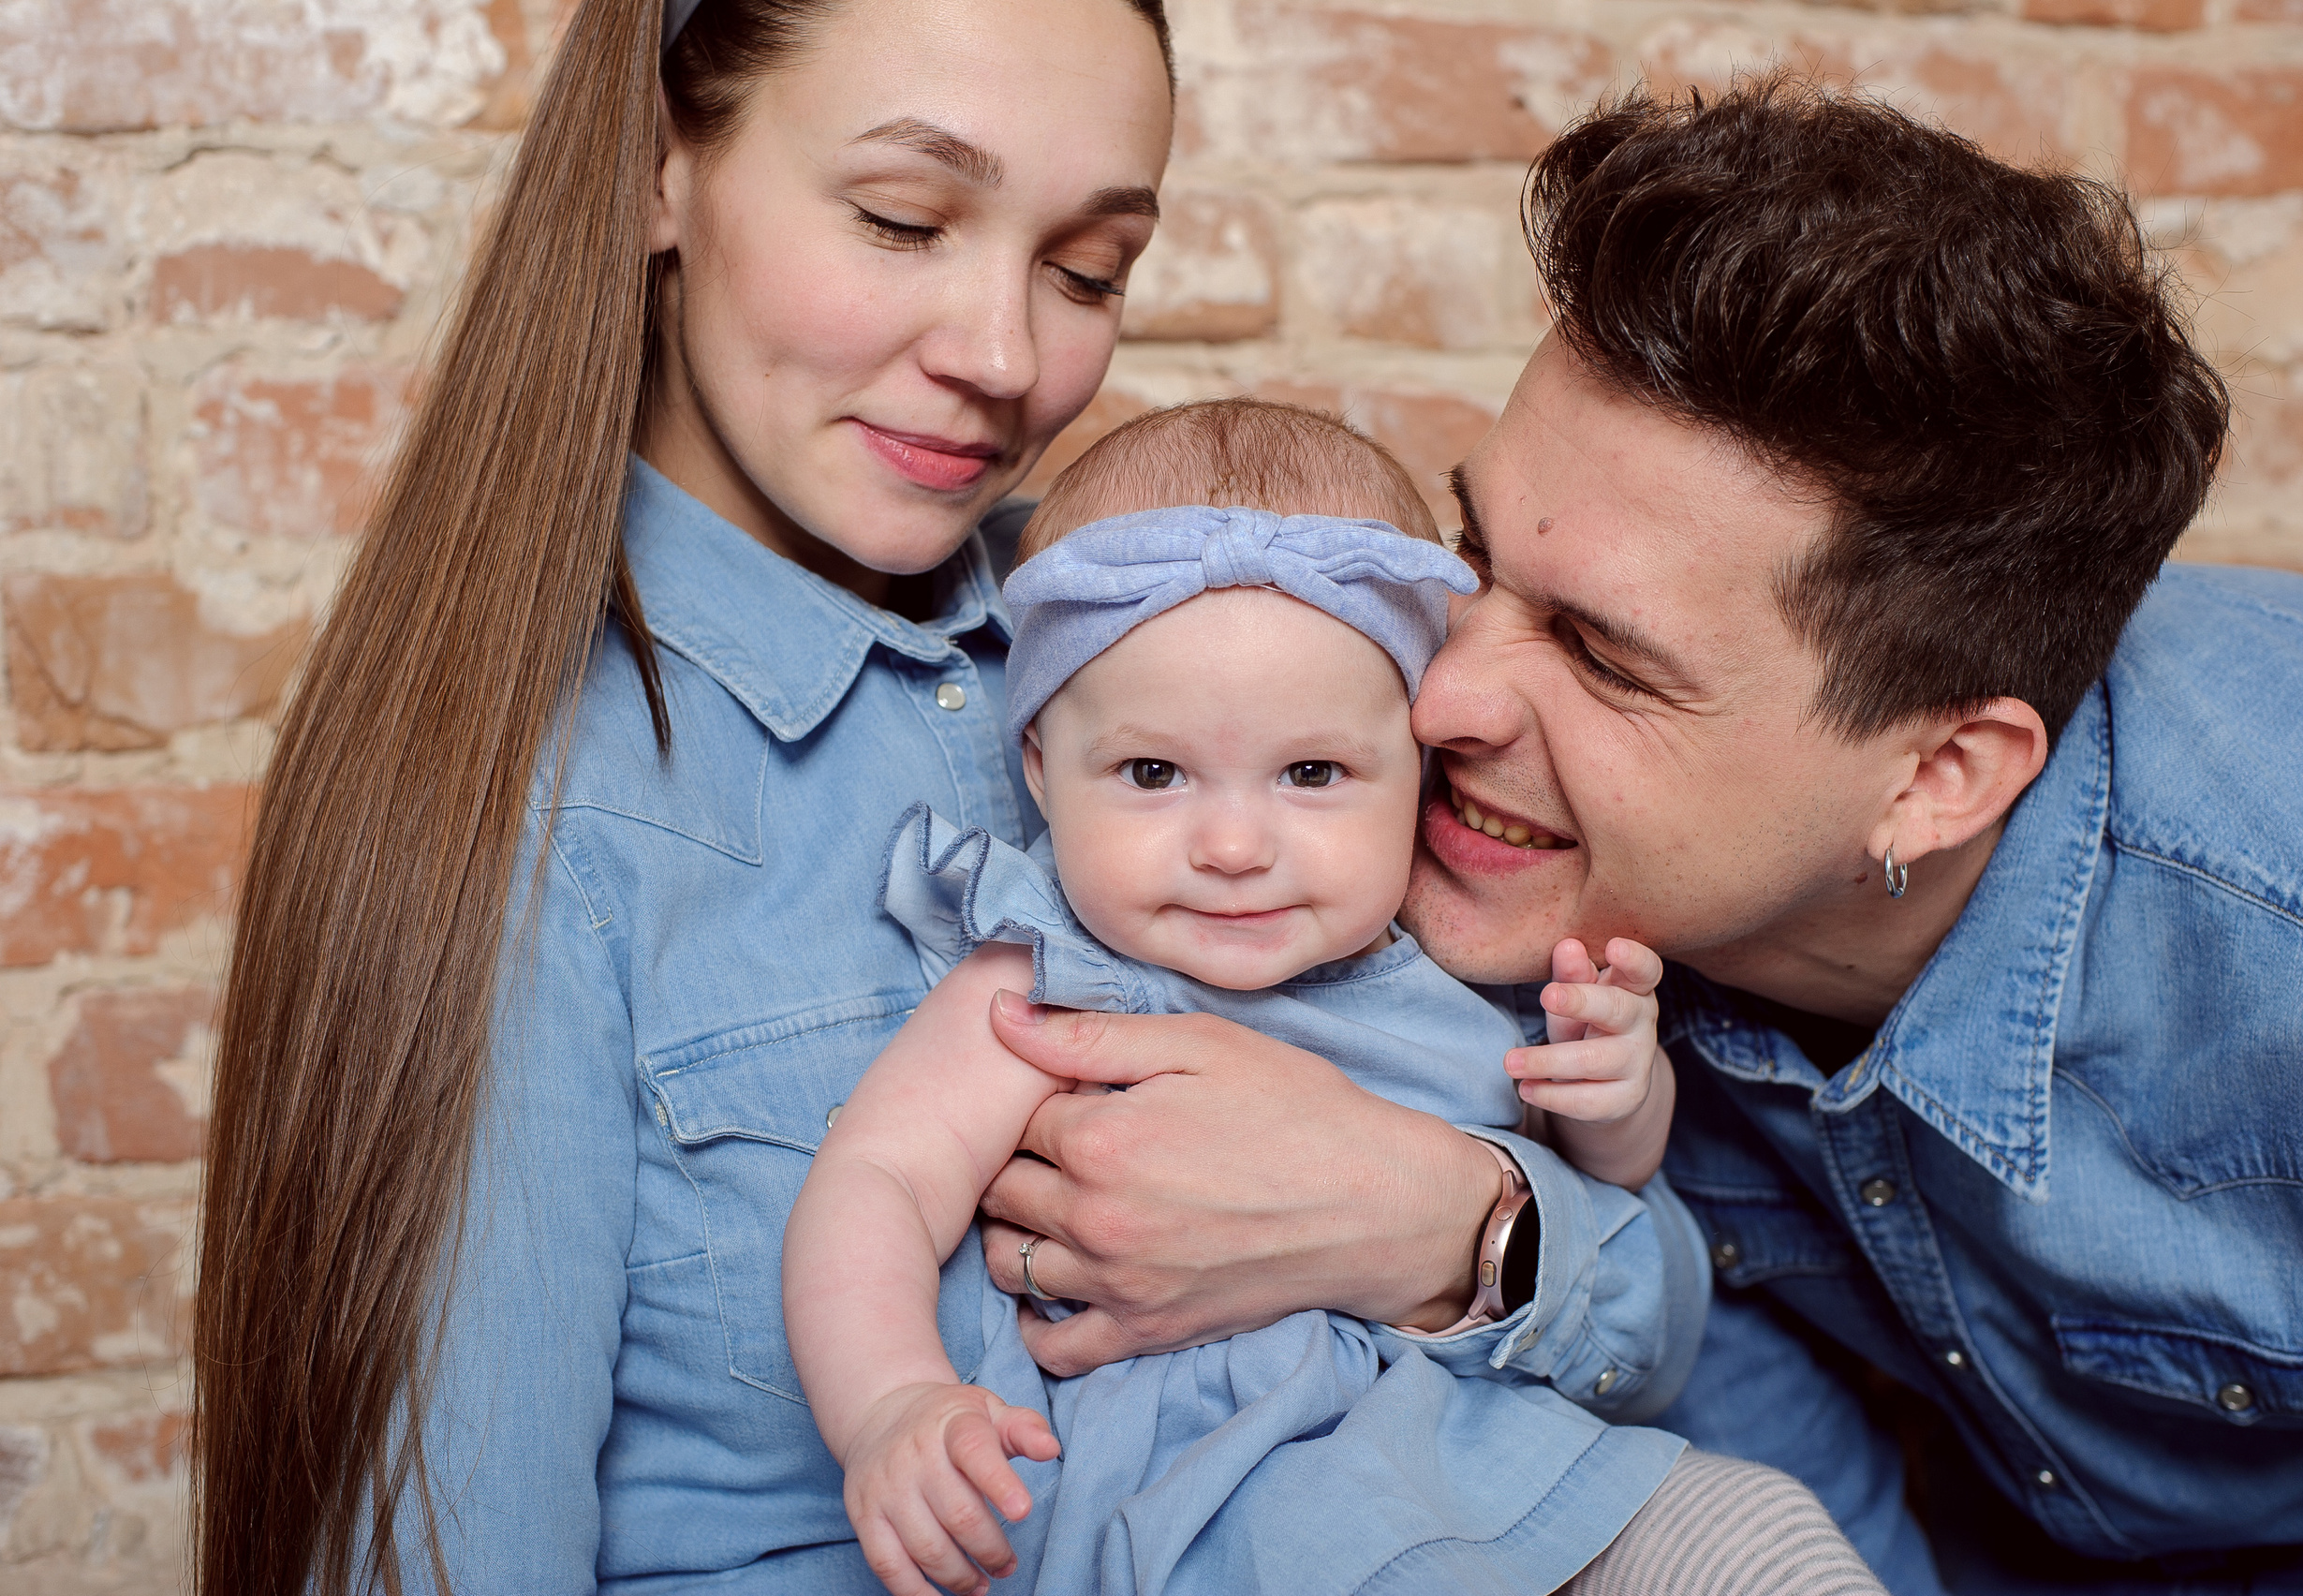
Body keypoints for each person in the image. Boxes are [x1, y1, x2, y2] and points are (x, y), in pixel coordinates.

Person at [193, 3, 1707, 1591]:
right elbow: (449, 1548)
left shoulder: (1223, 628)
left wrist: (1439, 1218)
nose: (1001, 354)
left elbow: (1672, 1315)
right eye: (901, 220)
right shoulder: (549, 817)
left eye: (1088, 271)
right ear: (658, 163)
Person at [1391, 78, 2303, 1596]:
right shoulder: (1501, 871)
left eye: (1602, 655)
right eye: (1477, 558)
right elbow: (1729, 1439)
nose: (1445, 694)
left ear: (1937, 777)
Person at [786, 399, 1765, 1596]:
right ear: (1040, 769)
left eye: (1312, 773)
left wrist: (1620, 1088)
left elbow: (1602, 1183)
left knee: (1744, 1533)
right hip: (1208, 1495)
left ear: (1418, 771)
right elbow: (877, 1179)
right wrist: (889, 1402)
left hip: (1467, 1452)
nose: (1236, 844)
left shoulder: (1457, 958)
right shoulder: (1044, 979)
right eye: (1153, 772)